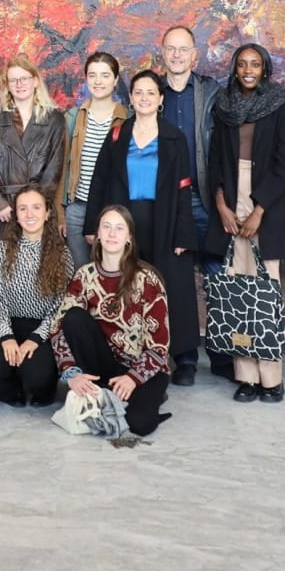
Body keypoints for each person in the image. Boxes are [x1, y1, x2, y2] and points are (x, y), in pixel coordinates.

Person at [85, 68, 198, 381]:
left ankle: (184, 357)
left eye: (151, 92)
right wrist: (94, 227)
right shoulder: (118, 134)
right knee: (125, 286)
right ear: (131, 98)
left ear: (160, 99)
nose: (145, 98)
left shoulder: (174, 137)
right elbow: (100, 181)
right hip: (124, 223)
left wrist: (183, 233)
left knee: (173, 286)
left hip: (164, 220)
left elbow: (184, 187)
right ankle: (127, 354)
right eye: (139, 93)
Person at [205, 43, 285, 402]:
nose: (247, 70)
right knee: (237, 292)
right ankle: (246, 377)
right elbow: (214, 159)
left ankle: (271, 377)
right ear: (234, 68)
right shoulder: (224, 104)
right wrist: (222, 205)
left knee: (265, 293)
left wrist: (259, 209)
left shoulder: (281, 102)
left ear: (265, 68)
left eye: (255, 64)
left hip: (267, 201)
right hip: (230, 197)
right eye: (242, 64)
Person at [50, 205, 170, 437]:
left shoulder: (147, 279)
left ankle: (144, 395)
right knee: (73, 317)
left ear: (129, 238)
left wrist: (133, 379)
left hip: (141, 367)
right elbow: (58, 328)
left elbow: (159, 346)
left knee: (140, 424)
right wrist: (70, 372)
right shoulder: (84, 276)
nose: (112, 234)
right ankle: (104, 389)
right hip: (104, 364)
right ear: (97, 236)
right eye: (106, 227)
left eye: (119, 228)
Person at [159, 24, 228, 381]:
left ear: (194, 55)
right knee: (178, 282)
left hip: (204, 198)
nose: (176, 55)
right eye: (171, 48)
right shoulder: (151, 94)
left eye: (183, 49)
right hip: (170, 204)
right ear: (163, 53)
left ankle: (222, 355)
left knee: (217, 278)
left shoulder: (211, 93)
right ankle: (184, 357)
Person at [0, 185, 74, 406]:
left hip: (42, 330)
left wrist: (35, 339)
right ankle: (8, 386)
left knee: (36, 376)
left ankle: (44, 388)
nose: (30, 214)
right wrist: (6, 337)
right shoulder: (4, 249)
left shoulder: (61, 254)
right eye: (23, 209)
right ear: (16, 214)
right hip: (9, 323)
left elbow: (61, 307)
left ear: (47, 213)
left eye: (36, 208)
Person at [0, 56, 66, 245]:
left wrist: (36, 206)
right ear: (6, 85)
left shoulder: (54, 119)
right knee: (0, 269)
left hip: (36, 212)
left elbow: (54, 170)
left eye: (24, 78)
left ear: (35, 81)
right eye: (13, 80)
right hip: (1, 214)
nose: (19, 84)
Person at [60, 52, 129, 270]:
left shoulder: (128, 120)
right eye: (92, 75)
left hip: (113, 210)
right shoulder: (72, 118)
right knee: (80, 274)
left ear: (116, 80)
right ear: (86, 78)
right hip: (77, 209)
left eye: (105, 75)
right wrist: (61, 213)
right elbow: (63, 167)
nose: (98, 81)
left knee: (112, 273)